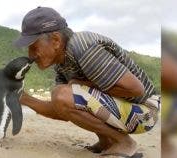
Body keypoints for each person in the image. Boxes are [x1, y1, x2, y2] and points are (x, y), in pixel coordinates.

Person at [13, 7, 159, 157]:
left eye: (34, 47)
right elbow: (63, 110)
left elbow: (136, 89)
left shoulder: (83, 46)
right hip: (127, 109)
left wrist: (83, 85)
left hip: (146, 112)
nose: (30, 55)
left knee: (63, 92)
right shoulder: (62, 65)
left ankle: (124, 142)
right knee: (63, 94)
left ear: (56, 40)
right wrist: (24, 99)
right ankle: (107, 141)